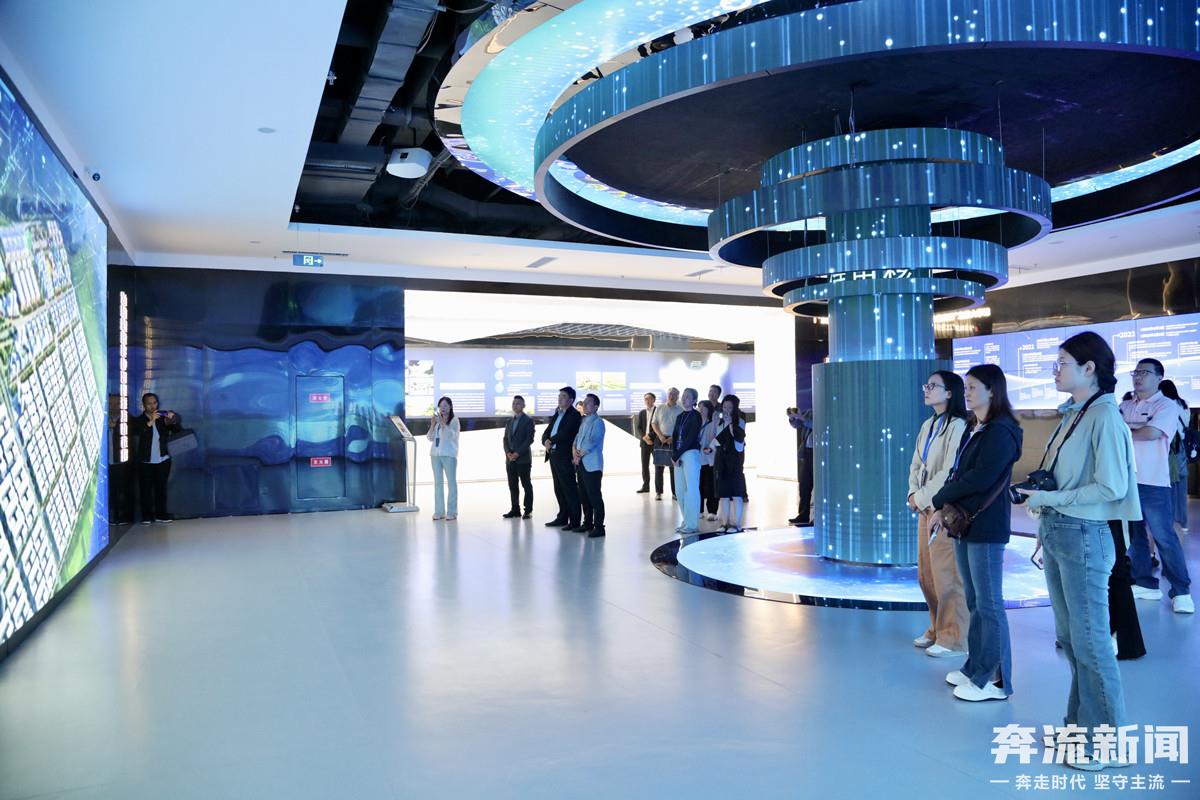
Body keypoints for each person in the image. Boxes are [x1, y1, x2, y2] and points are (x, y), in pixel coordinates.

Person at [1018, 332, 1141, 767]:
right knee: (1073, 641)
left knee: (1090, 643)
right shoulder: (1075, 413)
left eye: (1062, 362)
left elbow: (1112, 486)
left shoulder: (1104, 416)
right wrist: (1045, 510)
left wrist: (1050, 499)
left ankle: (1108, 743)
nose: (1055, 370)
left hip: (1085, 534)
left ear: (1090, 368)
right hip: (1062, 531)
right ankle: (1079, 728)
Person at [930, 364, 1022, 702]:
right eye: (966, 387)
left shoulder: (1002, 431)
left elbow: (979, 478)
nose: (966, 393)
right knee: (974, 600)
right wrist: (944, 504)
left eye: (972, 387)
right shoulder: (976, 427)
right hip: (965, 523)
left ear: (992, 391)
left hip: (986, 525)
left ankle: (995, 680)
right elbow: (959, 473)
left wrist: (939, 499)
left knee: (989, 604)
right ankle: (975, 666)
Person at [1119, 359, 1193, 613]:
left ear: (1159, 377)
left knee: (1164, 537)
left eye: (1145, 373)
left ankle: (1181, 591)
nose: (1138, 377)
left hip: (1153, 481)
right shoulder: (1125, 405)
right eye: (1135, 372)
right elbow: (1114, 432)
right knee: (1135, 536)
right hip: (1126, 482)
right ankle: (1145, 583)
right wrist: (1139, 427)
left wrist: (1128, 429)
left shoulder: (1166, 405)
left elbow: (1152, 433)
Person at [906, 371, 970, 659]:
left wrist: (923, 497)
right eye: (926, 385)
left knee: (947, 574)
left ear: (950, 392)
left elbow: (949, 471)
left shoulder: (958, 426)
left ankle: (954, 637)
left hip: (943, 508)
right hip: (924, 506)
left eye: (933, 386)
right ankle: (936, 627)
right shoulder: (928, 424)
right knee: (927, 573)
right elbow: (916, 465)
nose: (926, 389)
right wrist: (913, 494)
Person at [131, 392, 182, 524]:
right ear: (144, 405)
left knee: (161, 488)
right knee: (145, 489)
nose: (153, 406)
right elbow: (139, 432)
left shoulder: (162, 419)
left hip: (162, 459)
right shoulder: (138, 420)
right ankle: (146, 516)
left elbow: (177, 430)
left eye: (154, 403)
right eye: (149, 403)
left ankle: (161, 514)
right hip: (145, 460)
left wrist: (172, 420)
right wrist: (151, 420)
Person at [543, 387, 582, 529]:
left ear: (571, 400)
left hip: (565, 456)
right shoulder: (557, 413)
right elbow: (547, 431)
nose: (559, 398)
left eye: (563, 396)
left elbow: (566, 433)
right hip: (553, 455)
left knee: (569, 488)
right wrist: (545, 440)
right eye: (559, 395)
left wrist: (551, 440)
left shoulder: (574, 415)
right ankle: (562, 517)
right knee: (559, 488)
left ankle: (575, 521)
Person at [1157, 379, 1191, 531]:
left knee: (1169, 485)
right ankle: (1182, 522)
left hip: (1171, 448)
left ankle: (1169, 522)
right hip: (1181, 448)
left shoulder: (1167, 405)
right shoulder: (1183, 404)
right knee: (1181, 487)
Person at [571, 393, 606, 537]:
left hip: (592, 465)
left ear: (596, 407)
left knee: (594, 496)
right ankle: (587, 523)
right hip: (581, 463)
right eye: (584, 402)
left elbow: (593, 440)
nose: (584, 405)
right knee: (584, 496)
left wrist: (579, 455)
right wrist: (574, 452)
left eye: (588, 403)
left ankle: (599, 527)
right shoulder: (584, 420)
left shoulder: (598, 422)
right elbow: (577, 439)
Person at [671, 388, 704, 534]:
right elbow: (674, 436)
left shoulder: (696, 416)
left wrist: (677, 455)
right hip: (678, 455)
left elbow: (691, 438)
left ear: (694, 400)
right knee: (679, 490)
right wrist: (674, 454)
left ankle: (692, 524)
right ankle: (686, 521)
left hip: (690, 454)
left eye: (688, 397)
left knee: (691, 490)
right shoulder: (680, 416)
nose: (684, 399)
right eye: (683, 396)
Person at [713, 394, 747, 532]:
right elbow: (716, 441)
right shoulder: (719, 422)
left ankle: (736, 524)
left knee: (736, 493)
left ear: (735, 408)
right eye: (724, 407)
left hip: (734, 460)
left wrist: (729, 424)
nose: (726, 410)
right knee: (723, 494)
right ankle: (724, 523)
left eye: (729, 407)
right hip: (721, 459)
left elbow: (739, 440)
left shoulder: (740, 421)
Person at [427, 396, 460, 521]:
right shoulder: (437, 422)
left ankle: (452, 512)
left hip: (449, 455)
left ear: (450, 407)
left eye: (445, 406)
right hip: (435, 455)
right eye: (441, 406)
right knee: (438, 483)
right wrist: (433, 424)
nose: (443, 408)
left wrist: (442, 423)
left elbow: (450, 436)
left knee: (451, 483)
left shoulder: (454, 420)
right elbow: (430, 437)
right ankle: (439, 511)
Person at [502, 395, 535, 519]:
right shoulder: (509, 421)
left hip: (523, 459)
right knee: (512, 485)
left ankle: (528, 510)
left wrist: (517, 453)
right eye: (514, 403)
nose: (515, 405)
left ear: (523, 405)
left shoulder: (528, 420)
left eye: (518, 403)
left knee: (526, 485)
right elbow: (505, 439)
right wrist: (508, 453)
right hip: (510, 460)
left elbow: (529, 439)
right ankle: (515, 509)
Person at [651, 387, 682, 500]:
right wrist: (660, 436)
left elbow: (682, 427)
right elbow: (654, 423)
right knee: (658, 467)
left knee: (674, 468)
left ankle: (675, 493)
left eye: (674, 394)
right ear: (667, 395)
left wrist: (673, 438)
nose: (672, 396)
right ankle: (658, 492)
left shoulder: (681, 410)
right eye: (670, 394)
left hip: (674, 440)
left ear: (678, 396)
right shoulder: (660, 407)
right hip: (660, 438)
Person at [788, 407, 814, 526]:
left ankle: (816, 516)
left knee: (818, 487)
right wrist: (792, 417)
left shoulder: (825, 411)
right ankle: (803, 515)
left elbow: (814, 424)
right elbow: (798, 425)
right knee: (804, 485)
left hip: (820, 452)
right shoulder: (809, 411)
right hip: (807, 451)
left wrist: (800, 417)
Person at [697, 400, 719, 521]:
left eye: (703, 408)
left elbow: (717, 438)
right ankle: (699, 510)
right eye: (699, 408)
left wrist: (710, 448)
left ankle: (712, 511)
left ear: (709, 409)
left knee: (711, 486)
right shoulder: (696, 423)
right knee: (698, 485)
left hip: (710, 459)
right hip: (698, 459)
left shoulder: (714, 422)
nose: (701, 410)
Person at [633, 392, 656, 494]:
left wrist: (649, 436)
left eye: (649, 399)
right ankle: (646, 486)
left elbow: (658, 426)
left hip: (654, 442)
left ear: (654, 400)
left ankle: (658, 489)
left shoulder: (657, 411)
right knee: (645, 465)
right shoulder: (642, 412)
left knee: (658, 466)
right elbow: (639, 427)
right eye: (646, 399)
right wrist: (644, 437)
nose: (647, 401)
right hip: (644, 442)